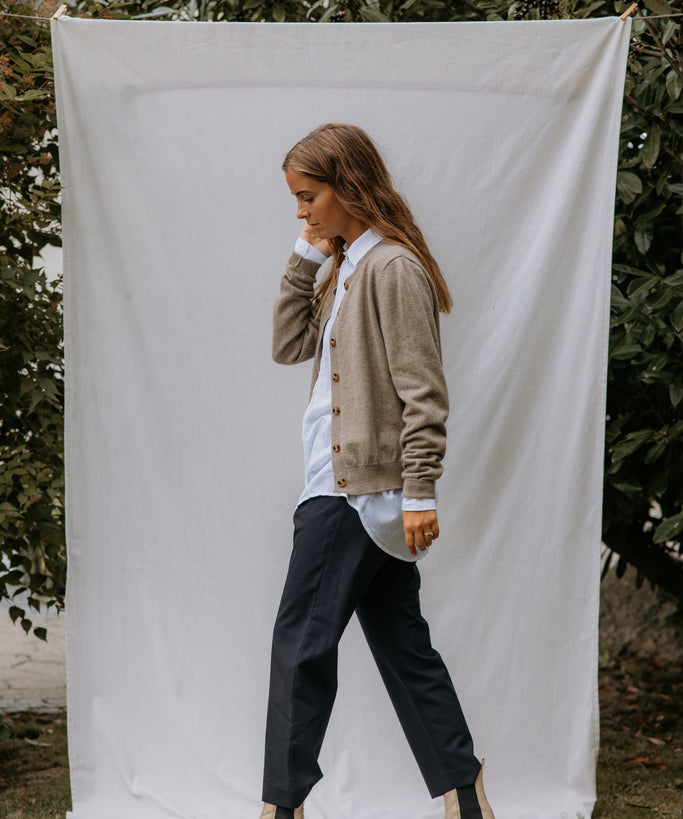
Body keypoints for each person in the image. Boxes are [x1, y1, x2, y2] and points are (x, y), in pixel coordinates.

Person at [260, 123, 494, 819]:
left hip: (353, 492)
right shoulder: (347, 269)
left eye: (308, 197)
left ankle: (280, 808)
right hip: (351, 487)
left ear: (349, 186)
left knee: (299, 646)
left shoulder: (391, 269)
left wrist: (419, 491)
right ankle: (465, 794)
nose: (301, 211)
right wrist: (306, 256)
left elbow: (424, 393)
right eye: (296, 200)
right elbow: (287, 344)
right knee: (403, 646)